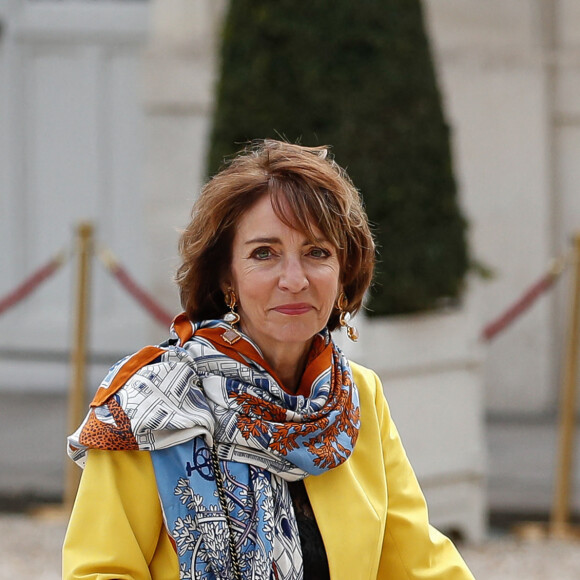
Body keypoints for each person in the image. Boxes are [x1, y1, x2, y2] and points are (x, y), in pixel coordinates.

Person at [63, 140, 475, 580]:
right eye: (265, 253)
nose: (294, 280)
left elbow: (419, 565)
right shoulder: (148, 407)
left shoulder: (356, 397)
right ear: (227, 276)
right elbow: (99, 571)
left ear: (343, 272)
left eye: (317, 252)